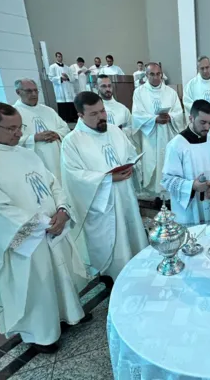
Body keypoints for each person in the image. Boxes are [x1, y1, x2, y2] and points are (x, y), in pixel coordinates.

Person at [0, 102, 90, 354]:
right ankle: (41, 334)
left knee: (58, 275)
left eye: (20, 127)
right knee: (35, 283)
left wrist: (62, 210)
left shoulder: (24, 152)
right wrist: (43, 224)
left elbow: (51, 183)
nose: (19, 134)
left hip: (51, 228)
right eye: (11, 128)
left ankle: (68, 314)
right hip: (24, 239)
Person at [61, 91, 148, 282]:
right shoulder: (72, 142)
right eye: (94, 114)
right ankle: (112, 279)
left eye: (102, 111)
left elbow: (130, 153)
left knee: (132, 235)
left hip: (125, 195)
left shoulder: (115, 130)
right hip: (101, 204)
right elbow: (74, 176)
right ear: (80, 115)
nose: (101, 117)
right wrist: (108, 179)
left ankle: (138, 270)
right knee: (112, 245)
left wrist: (133, 166)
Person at [161, 100, 210, 226]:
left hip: (209, 202)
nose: (207, 127)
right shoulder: (176, 145)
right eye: (203, 122)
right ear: (191, 118)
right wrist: (192, 186)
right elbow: (167, 180)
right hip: (187, 211)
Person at [132, 62, 186, 199]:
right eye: (152, 74)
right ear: (146, 75)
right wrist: (154, 119)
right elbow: (137, 115)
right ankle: (154, 193)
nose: (156, 77)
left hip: (168, 133)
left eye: (158, 74)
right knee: (152, 162)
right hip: (150, 136)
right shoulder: (139, 92)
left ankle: (169, 192)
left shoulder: (170, 92)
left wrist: (170, 117)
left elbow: (179, 113)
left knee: (168, 160)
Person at [13, 78, 71, 183]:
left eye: (36, 90)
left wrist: (56, 134)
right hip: (34, 161)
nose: (34, 94)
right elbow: (10, 139)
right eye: (29, 91)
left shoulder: (48, 110)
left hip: (56, 157)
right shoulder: (13, 113)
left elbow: (65, 128)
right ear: (18, 92)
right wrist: (34, 138)